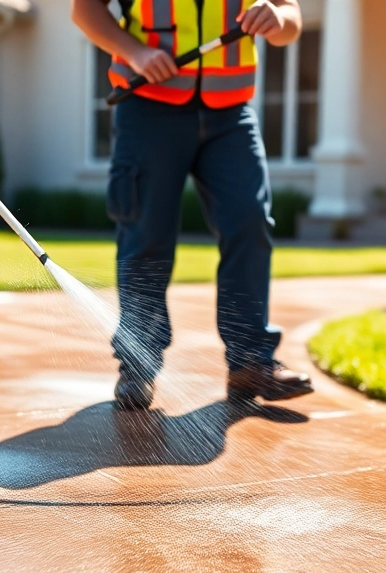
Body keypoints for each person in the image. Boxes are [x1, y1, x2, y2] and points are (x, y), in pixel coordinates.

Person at [72, 0, 314, 410]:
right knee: (145, 234)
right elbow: (85, 10)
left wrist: (277, 18)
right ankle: (139, 364)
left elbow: (290, 19)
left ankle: (250, 361)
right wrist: (137, 53)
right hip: (148, 104)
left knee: (248, 219)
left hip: (230, 112)